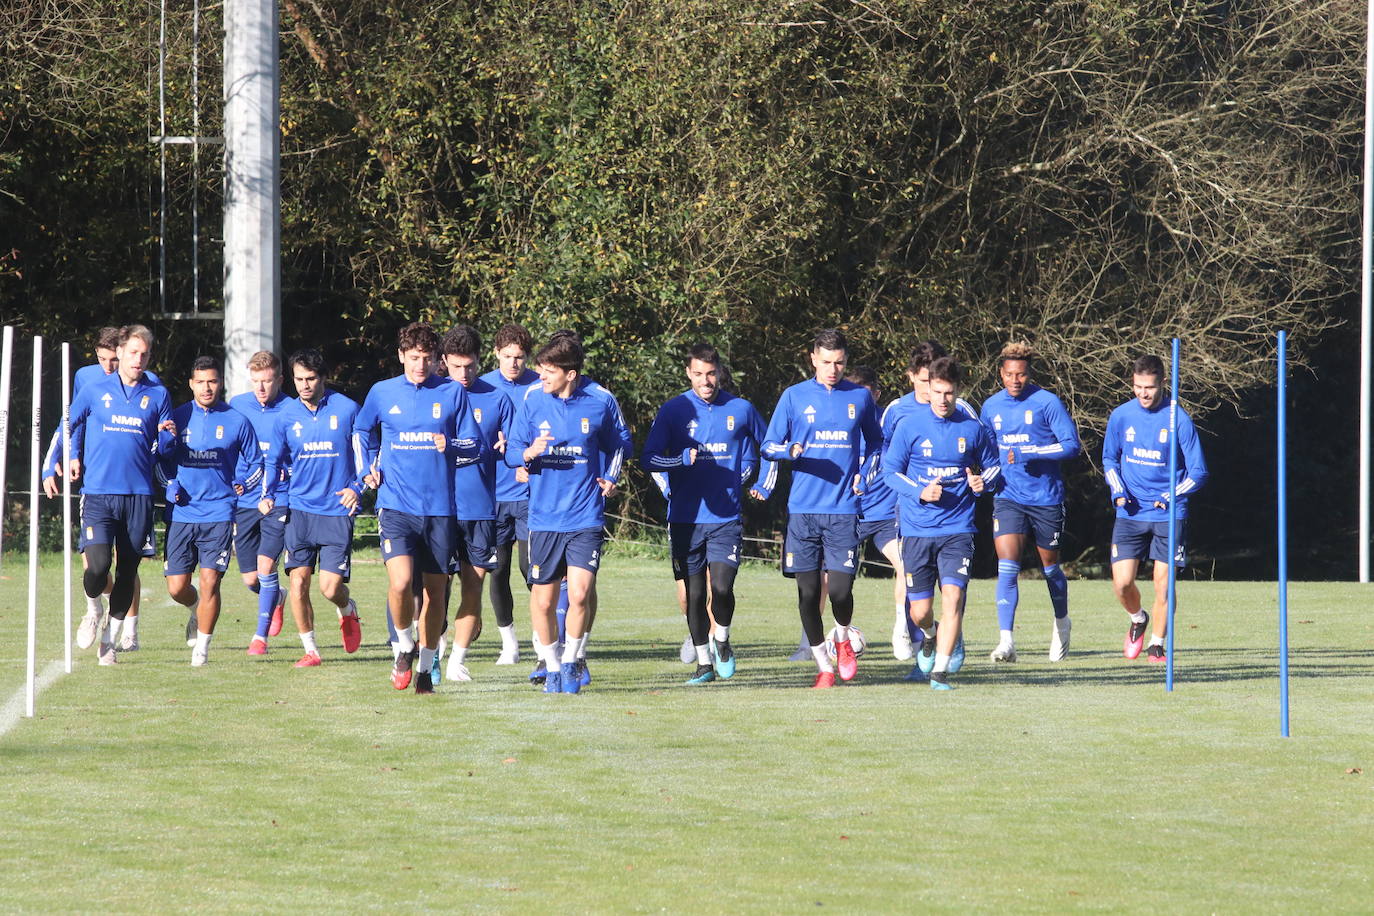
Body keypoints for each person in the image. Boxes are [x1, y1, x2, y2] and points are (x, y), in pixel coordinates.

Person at [353, 321, 484, 694]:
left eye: (427, 359)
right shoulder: (381, 392)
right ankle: (403, 645)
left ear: (437, 359)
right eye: (414, 358)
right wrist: (367, 469)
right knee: (399, 582)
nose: (420, 366)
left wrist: (452, 446)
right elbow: (361, 432)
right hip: (396, 505)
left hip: (441, 509)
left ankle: (426, 669)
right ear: (401, 356)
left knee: (435, 592)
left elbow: (474, 447)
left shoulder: (453, 393)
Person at [505, 333, 633, 694]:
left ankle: (574, 659)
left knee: (579, 594)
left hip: (586, 516)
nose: (541, 377)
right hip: (544, 518)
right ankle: (552, 664)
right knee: (543, 600)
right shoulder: (531, 401)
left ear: (570, 373)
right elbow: (512, 452)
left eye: (548, 371)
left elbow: (621, 445)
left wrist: (610, 476)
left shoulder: (600, 401)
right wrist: (529, 453)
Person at [757, 329, 883, 688]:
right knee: (809, 593)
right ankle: (824, 667)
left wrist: (864, 474)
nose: (833, 369)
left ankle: (842, 638)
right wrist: (789, 451)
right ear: (813, 358)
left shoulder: (859, 397)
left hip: (843, 508)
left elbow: (876, 443)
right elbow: (768, 446)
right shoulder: (794, 397)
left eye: (839, 362)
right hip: (803, 511)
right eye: (827, 362)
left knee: (841, 590)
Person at [42, 324, 174, 664]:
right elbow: (66, 426)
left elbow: (165, 450)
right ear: (120, 352)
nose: (138, 359)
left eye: (144, 354)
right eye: (133, 353)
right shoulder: (95, 388)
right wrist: (50, 465)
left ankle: (109, 642)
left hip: (139, 496)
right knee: (98, 566)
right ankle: (92, 609)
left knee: (128, 571)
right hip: (99, 494)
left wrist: (169, 439)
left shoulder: (158, 395)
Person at [641, 342, 766, 685]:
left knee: (722, 588)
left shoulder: (741, 409)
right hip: (684, 518)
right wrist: (678, 462)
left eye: (710, 373)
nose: (705, 381)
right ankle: (703, 663)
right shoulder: (673, 410)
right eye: (698, 374)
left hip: (725, 518)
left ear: (720, 372)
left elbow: (766, 448)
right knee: (695, 595)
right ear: (688, 373)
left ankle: (722, 640)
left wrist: (749, 480)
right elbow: (648, 458)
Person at [884, 356, 999, 690]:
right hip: (918, 530)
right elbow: (890, 473)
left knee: (953, 598)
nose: (943, 399)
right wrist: (921, 491)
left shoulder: (972, 428)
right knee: (920, 612)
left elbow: (992, 467)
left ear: (957, 391)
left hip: (958, 529)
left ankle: (940, 672)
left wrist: (982, 483)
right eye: (937, 392)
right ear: (928, 389)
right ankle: (932, 635)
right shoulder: (909, 425)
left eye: (949, 393)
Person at [979, 342, 1081, 662]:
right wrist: (980, 475)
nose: (1015, 380)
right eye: (1009, 374)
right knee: (1007, 567)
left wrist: (1032, 452)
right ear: (1001, 373)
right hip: (1008, 496)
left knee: (1050, 569)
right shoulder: (990, 407)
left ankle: (1062, 622)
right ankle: (1007, 642)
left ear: (1029, 373)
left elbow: (1071, 445)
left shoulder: (1047, 402)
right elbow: (984, 452)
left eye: (1020, 375)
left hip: (1045, 498)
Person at [1103, 355, 1209, 662]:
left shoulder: (1179, 419)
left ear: (1162, 383)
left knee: (1163, 584)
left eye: (1149, 387)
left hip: (1169, 514)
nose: (1143, 394)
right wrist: (1118, 490)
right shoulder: (1121, 415)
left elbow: (1199, 472)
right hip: (1130, 513)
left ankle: (1158, 643)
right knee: (1122, 583)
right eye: (1137, 387)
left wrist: (1171, 495)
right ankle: (1138, 618)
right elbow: (1109, 458)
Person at [161, 356, 264, 667]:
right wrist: (169, 483)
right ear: (191, 384)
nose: (207, 387)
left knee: (210, 581)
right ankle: (195, 609)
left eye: (213, 381)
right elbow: (161, 461)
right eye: (201, 382)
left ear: (221, 383)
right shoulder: (176, 417)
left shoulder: (236, 420)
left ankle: (201, 650)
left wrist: (244, 483)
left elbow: (257, 462)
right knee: (178, 587)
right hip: (183, 512)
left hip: (219, 512)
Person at [267, 348, 365, 667]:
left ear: (323, 377)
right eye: (299, 379)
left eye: (311, 378)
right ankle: (311, 650)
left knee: (330, 588)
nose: (305, 385)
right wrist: (269, 491)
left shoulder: (348, 409)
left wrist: (356, 487)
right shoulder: (285, 417)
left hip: (336, 510)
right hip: (299, 511)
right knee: (298, 581)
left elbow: (369, 453)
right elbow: (275, 461)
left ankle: (347, 610)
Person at [441, 324, 514, 683]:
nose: (464, 374)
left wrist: (511, 451)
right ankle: (432, 650)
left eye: (469, 366)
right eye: (456, 367)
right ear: (444, 363)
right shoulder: (433, 397)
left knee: (473, 586)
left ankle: (457, 660)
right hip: (439, 508)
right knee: (434, 588)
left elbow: (515, 446)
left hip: (481, 509)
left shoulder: (498, 399)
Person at [478, 323, 540, 664]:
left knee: (532, 569)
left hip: (531, 493)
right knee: (497, 569)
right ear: (496, 354)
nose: (513, 363)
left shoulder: (540, 385)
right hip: (492, 494)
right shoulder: (482, 386)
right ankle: (510, 644)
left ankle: (542, 637)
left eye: (519, 357)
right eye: (507, 357)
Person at [229, 351, 292, 656]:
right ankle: (276, 597)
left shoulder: (293, 410)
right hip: (245, 500)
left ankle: (259, 638)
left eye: (267, 381)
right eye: (256, 382)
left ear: (279, 379)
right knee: (250, 578)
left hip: (279, 498)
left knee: (266, 565)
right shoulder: (238, 406)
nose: (261, 388)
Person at [844, 365, 909, 662]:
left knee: (907, 566)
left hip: (886, 514)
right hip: (849, 514)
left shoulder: (891, 422)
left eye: (866, 397)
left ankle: (902, 629)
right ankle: (820, 639)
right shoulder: (839, 421)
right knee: (830, 576)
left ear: (877, 394)